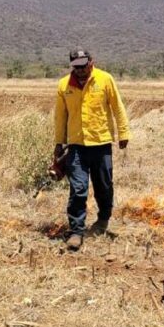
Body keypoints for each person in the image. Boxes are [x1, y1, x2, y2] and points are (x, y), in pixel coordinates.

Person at [53, 49, 131, 251]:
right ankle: (76, 232)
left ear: (91, 62)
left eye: (83, 65)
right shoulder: (64, 85)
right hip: (76, 147)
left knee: (104, 185)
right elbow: (60, 117)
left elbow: (117, 107)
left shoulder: (105, 79)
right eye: (76, 66)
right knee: (78, 189)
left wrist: (123, 133)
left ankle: (103, 220)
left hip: (101, 144)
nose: (80, 70)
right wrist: (58, 143)